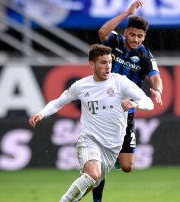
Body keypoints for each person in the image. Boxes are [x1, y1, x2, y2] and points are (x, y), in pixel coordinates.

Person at [28, 44, 154, 202]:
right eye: (103, 62)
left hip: (112, 147)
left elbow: (149, 102)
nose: (108, 66)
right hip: (89, 140)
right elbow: (59, 102)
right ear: (92, 64)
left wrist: (136, 104)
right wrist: (41, 113)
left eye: (109, 62)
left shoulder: (121, 82)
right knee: (93, 174)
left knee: (88, 184)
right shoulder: (81, 86)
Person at [93, 0, 163, 201]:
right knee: (101, 161)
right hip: (103, 110)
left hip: (126, 115)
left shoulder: (145, 56)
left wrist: (156, 91)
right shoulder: (114, 41)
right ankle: (97, 199)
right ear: (126, 32)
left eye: (140, 36)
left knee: (127, 167)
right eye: (132, 34)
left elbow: (156, 77)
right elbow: (102, 32)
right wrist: (126, 13)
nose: (135, 39)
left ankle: (113, 158)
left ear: (144, 37)